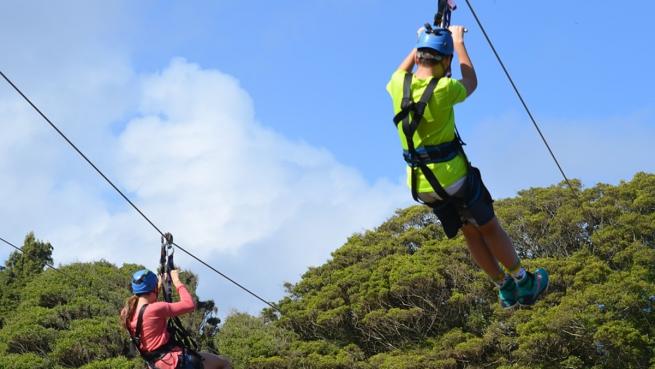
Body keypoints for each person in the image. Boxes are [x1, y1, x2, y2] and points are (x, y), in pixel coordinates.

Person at [386, 24, 548, 308]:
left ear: (419, 56)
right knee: (488, 227)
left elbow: (407, 66)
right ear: (445, 61)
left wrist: (422, 39)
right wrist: (458, 42)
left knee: (469, 232)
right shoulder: (445, 89)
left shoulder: (398, 83)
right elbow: (471, 81)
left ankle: (503, 286)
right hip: (453, 177)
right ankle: (523, 280)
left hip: (421, 184)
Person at [121, 269, 232, 369]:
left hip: (154, 364)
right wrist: (176, 280)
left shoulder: (127, 313)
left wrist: (158, 285)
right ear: (153, 288)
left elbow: (146, 310)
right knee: (224, 363)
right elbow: (189, 304)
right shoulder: (156, 309)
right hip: (173, 362)